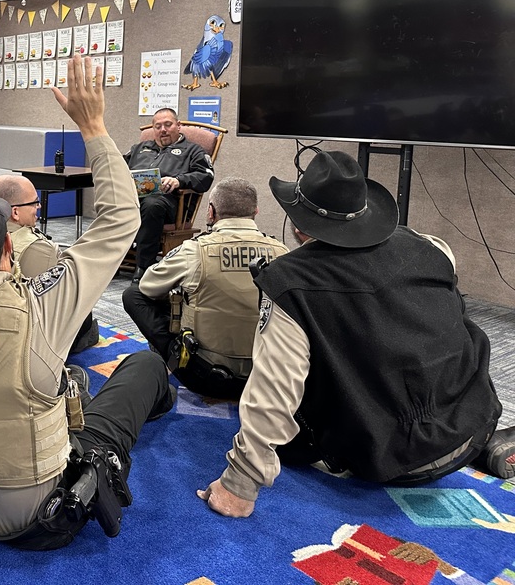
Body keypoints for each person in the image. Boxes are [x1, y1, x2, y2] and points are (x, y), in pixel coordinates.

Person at [0, 54, 175, 550]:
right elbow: (120, 221)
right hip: (40, 515)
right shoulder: (40, 306)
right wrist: (92, 126)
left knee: (53, 381)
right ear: (10, 244)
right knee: (142, 368)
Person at [198, 150, 515, 519]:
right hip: (473, 422)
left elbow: (275, 389)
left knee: (282, 389)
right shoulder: (429, 245)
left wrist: (240, 485)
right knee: (456, 319)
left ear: (299, 225)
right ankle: (486, 444)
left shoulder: (287, 282)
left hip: (386, 458)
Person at [122, 177, 288, 399]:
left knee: (133, 294)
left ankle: (170, 356)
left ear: (211, 212)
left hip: (205, 378)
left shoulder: (195, 251)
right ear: (256, 211)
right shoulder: (282, 253)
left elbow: (148, 286)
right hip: (265, 379)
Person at [0, 173, 99, 354]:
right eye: (34, 203)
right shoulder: (40, 248)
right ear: (15, 212)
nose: (39, 206)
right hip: (20, 340)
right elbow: (49, 304)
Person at [124, 108, 215, 280]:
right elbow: (119, 167)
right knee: (111, 200)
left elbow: (206, 176)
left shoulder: (192, 151)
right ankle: (108, 261)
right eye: (158, 126)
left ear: (178, 126)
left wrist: (179, 180)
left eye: (168, 124)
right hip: (133, 199)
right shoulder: (140, 148)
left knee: (152, 205)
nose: (163, 130)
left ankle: (144, 266)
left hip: (169, 203)